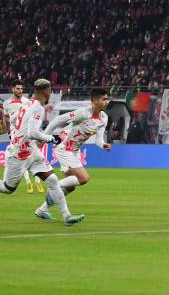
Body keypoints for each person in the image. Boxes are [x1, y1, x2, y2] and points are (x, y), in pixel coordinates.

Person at [0, 79, 85, 226]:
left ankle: (66, 216)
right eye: (51, 90)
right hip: (19, 154)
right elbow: (32, 132)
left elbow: (18, 124)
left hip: (31, 151)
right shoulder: (37, 108)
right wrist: (52, 138)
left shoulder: (27, 104)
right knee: (7, 188)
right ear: (47, 91)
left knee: (52, 180)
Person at [34, 88, 111, 220]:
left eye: (107, 98)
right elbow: (57, 120)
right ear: (94, 101)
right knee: (84, 178)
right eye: (104, 99)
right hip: (63, 147)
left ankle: (42, 210)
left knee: (70, 187)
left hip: (74, 151)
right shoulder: (82, 113)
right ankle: (53, 187)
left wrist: (103, 145)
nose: (107, 101)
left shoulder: (103, 118)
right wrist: (43, 137)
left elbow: (98, 139)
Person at [3, 78, 44, 194]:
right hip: (15, 135)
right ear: (12, 89)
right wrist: (8, 132)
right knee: (21, 156)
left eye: (21, 88)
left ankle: (37, 180)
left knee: (34, 155)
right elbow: (6, 119)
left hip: (28, 133)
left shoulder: (27, 102)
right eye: (18, 88)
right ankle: (28, 181)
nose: (20, 90)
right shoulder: (6, 104)